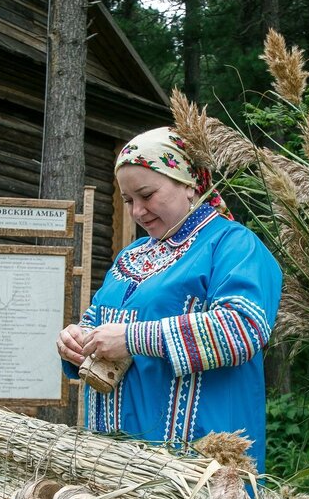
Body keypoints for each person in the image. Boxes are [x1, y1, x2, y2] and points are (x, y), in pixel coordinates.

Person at [57, 127, 282, 472]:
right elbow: (98, 322)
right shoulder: (129, 257)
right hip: (117, 460)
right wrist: (76, 342)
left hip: (199, 461)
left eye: (146, 195)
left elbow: (243, 328)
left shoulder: (233, 245)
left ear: (188, 183)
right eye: (128, 200)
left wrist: (132, 340)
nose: (136, 211)